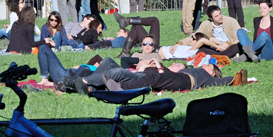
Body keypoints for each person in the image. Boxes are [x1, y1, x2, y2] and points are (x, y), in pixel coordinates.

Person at [102, 60, 248, 92]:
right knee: (151, 72)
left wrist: (242, 76)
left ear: (213, 72)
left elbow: (228, 80)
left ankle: (121, 87)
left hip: (185, 81)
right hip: (176, 76)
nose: (203, 65)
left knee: (154, 79)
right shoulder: (193, 68)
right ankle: (112, 81)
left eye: (207, 66)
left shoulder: (210, 78)